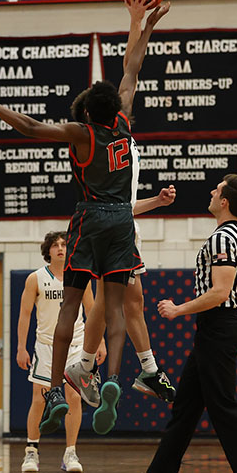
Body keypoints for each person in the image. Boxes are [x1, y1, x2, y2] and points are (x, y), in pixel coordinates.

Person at [0, 0, 169, 436]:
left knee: (70, 307)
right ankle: (109, 377)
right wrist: (144, 25)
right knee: (114, 309)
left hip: (91, 217)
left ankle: (55, 389)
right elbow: (132, 69)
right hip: (123, 221)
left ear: (87, 110)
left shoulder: (81, 132)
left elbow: (31, 127)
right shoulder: (125, 123)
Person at [122, 174, 237, 473]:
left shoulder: (223, 239)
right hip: (225, 326)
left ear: (224, 202)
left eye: (217, 190)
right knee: (185, 409)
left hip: (217, 327)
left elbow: (220, 291)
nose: (211, 193)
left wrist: (178, 309)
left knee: (223, 406)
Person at [63, 88, 177, 407]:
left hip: (120, 222)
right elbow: (131, 71)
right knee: (115, 299)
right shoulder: (103, 141)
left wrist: (156, 201)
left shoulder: (121, 138)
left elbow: (124, 204)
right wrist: (136, 35)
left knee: (129, 300)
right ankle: (105, 367)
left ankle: (89, 367)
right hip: (111, 228)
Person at [16, 231, 104, 473]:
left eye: (65, 244)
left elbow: (92, 310)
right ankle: (31, 451)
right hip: (46, 345)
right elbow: (24, 315)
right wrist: (21, 347)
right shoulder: (35, 279)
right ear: (48, 251)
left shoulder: (80, 277)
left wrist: (101, 342)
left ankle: (70, 452)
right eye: (55, 245)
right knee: (39, 398)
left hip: (76, 344)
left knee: (74, 398)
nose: (60, 248)